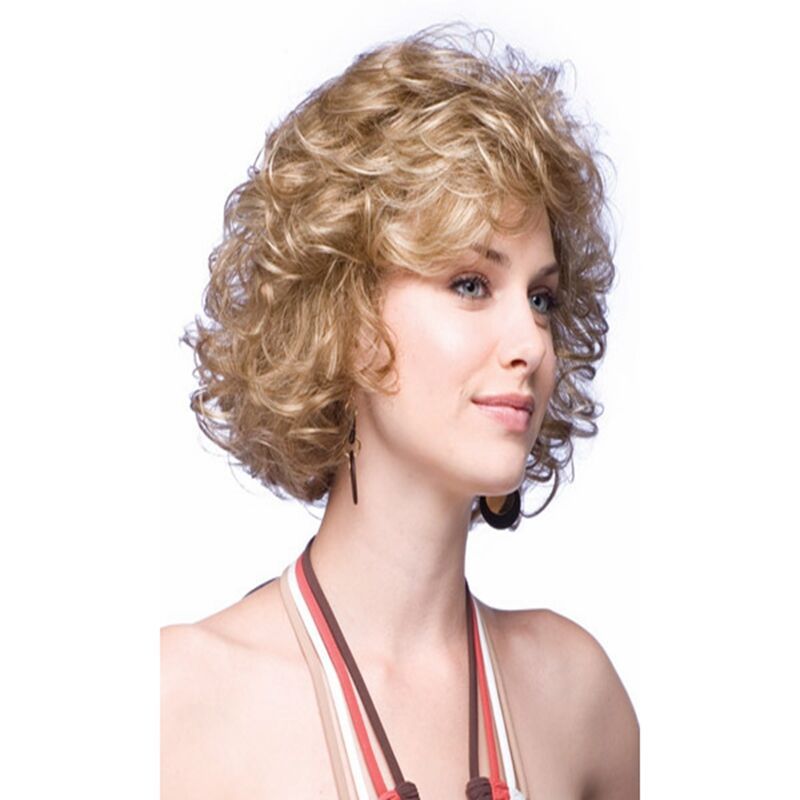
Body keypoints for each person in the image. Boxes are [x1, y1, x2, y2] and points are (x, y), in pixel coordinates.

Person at [161, 22, 639, 800]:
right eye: (471, 284)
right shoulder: (180, 703)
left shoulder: (578, 701)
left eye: (542, 298)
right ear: (344, 318)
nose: (531, 342)